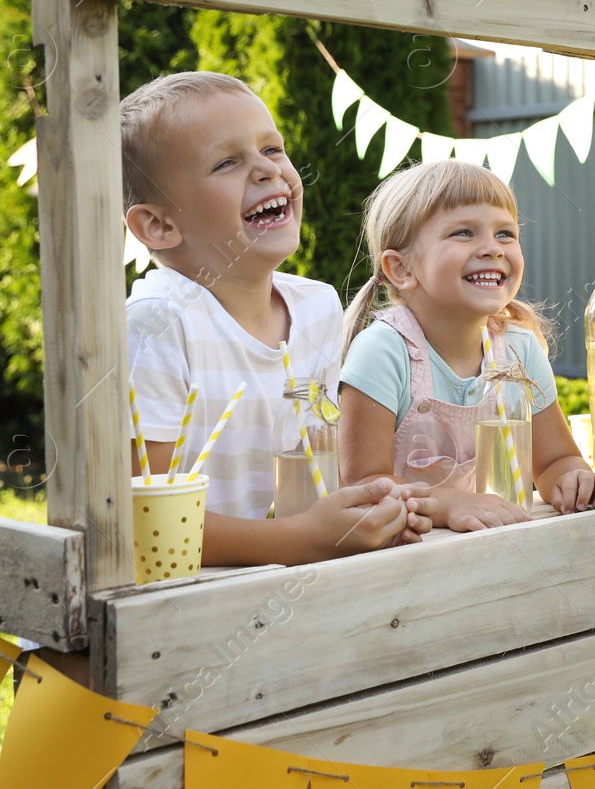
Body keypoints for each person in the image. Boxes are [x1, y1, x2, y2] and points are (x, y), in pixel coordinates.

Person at [122, 71, 434, 565]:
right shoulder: (157, 325)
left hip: (295, 588)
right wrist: (308, 538)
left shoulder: (317, 306)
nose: (268, 171)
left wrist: (379, 512)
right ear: (158, 225)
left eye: (272, 149)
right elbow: (141, 521)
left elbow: (327, 464)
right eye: (226, 162)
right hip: (183, 607)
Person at [338, 159, 595, 531]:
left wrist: (575, 480)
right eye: (463, 233)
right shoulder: (382, 353)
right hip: (403, 567)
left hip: (499, 555)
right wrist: (448, 503)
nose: (493, 248)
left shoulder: (520, 350)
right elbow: (361, 486)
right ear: (402, 269)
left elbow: (555, 462)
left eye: (505, 233)